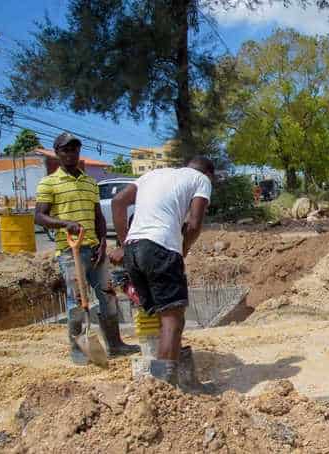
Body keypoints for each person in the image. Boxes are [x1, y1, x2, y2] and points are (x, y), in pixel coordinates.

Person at [34, 132, 140, 364]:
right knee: (76, 302)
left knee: (108, 296)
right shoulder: (49, 183)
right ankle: (78, 351)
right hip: (70, 251)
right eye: (66, 150)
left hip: (94, 249)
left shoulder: (90, 183)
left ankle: (115, 344)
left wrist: (103, 242)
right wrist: (64, 224)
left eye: (75, 149)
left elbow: (98, 217)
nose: (71, 153)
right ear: (58, 152)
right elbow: (39, 217)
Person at [109, 156, 214, 384]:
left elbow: (118, 202)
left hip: (134, 249)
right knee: (173, 321)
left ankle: (159, 371)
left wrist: (124, 243)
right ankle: (162, 387)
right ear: (208, 174)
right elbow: (195, 224)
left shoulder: (153, 174)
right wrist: (183, 248)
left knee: (160, 312)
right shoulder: (201, 180)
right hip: (160, 247)